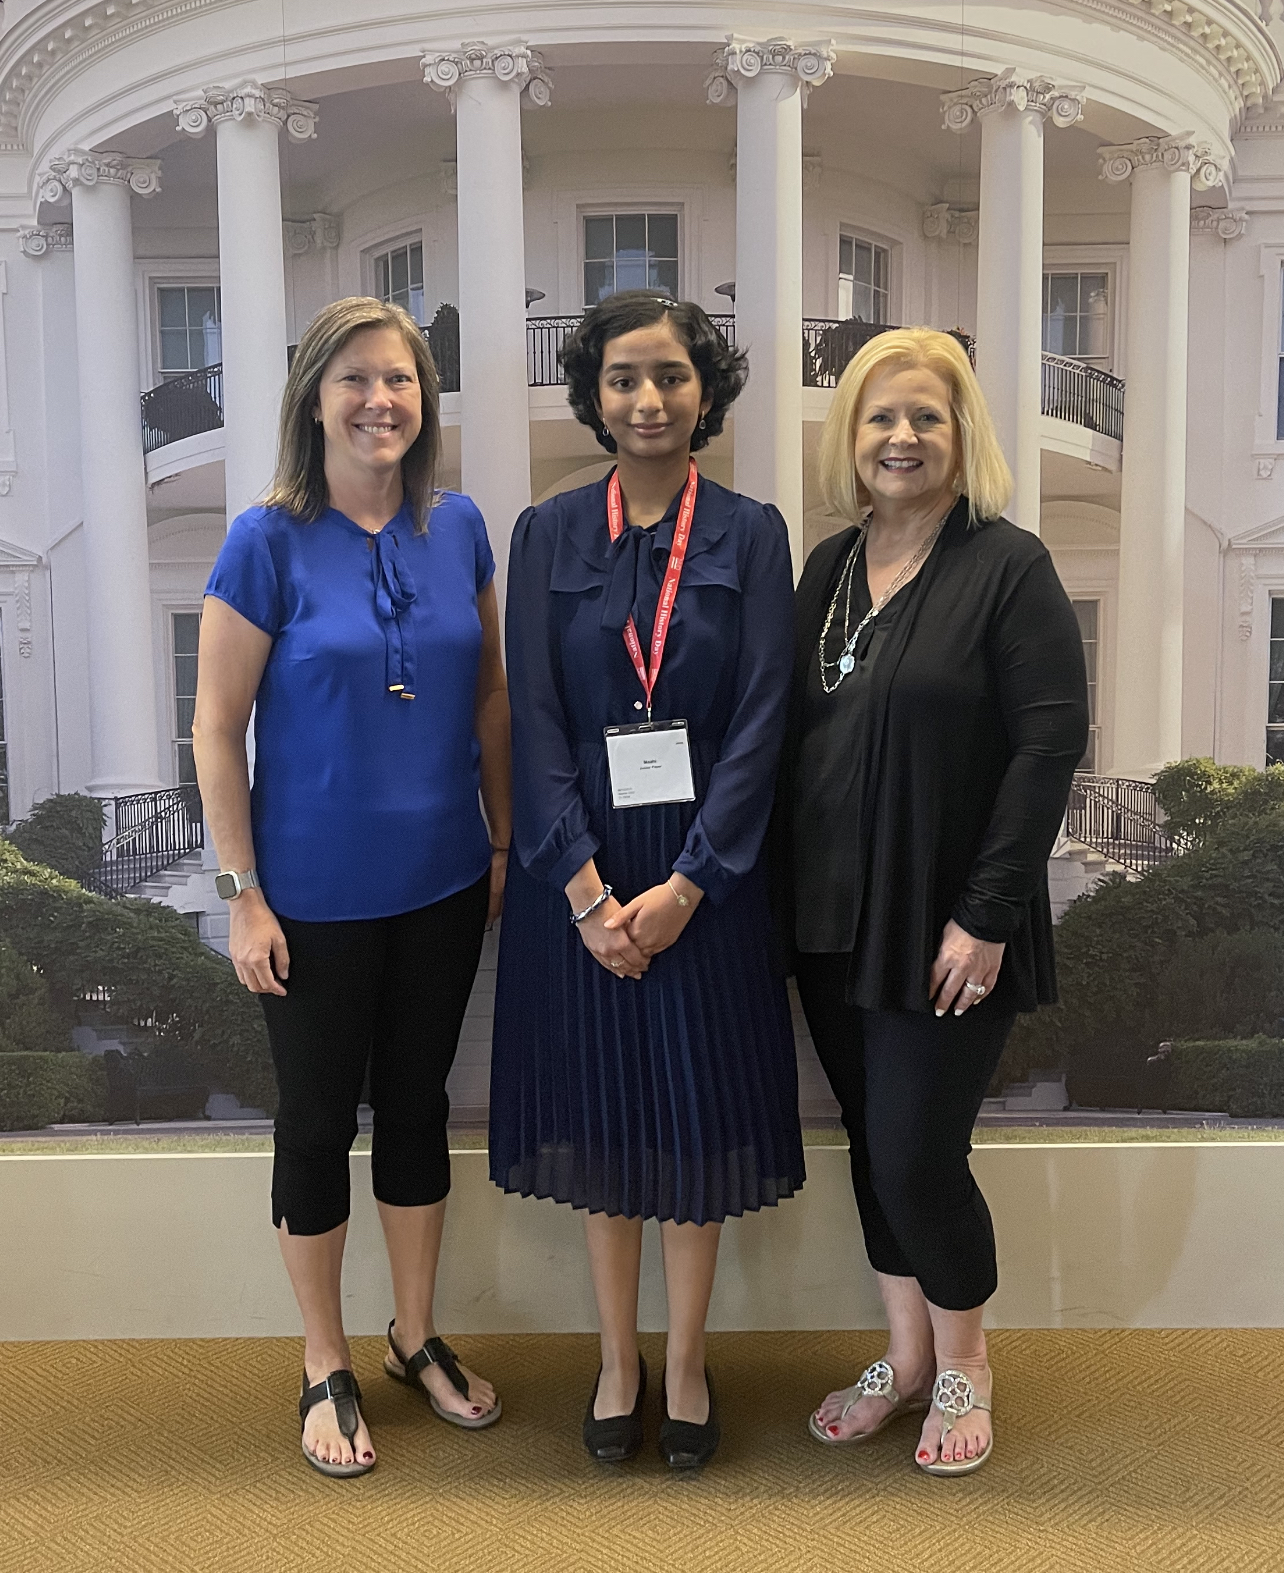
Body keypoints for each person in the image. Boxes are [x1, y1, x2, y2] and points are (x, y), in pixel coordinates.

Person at [193, 296, 510, 1479]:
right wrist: (242, 893)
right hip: (308, 898)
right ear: (314, 398)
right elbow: (217, 726)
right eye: (357, 380)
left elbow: (489, 697)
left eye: (404, 382)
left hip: (438, 883)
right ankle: (323, 1356)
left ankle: (413, 1336)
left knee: (418, 1107)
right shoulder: (264, 539)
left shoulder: (463, 525)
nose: (383, 401)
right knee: (319, 1124)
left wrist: (497, 842)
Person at [489, 290, 805, 1471]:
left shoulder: (753, 531)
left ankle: (685, 1360)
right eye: (624, 378)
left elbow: (766, 720)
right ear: (595, 395)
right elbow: (538, 719)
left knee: (693, 1117)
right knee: (606, 1119)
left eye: (670, 375)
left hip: (703, 886)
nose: (648, 399)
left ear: (704, 391)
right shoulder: (548, 531)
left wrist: (688, 887)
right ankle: (618, 1356)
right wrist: (581, 890)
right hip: (581, 886)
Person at [773, 327, 1087, 1477]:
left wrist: (990, 913)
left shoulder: (1009, 565)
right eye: (879, 418)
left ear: (962, 439)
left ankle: (966, 1362)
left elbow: (1050, 745)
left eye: (925, 418)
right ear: (849, 439)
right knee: (870, 1147)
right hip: (832, 921)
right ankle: (905, 1358)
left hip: (948, 921)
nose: (901, 437)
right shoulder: (826, 569)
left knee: (918, 1156)